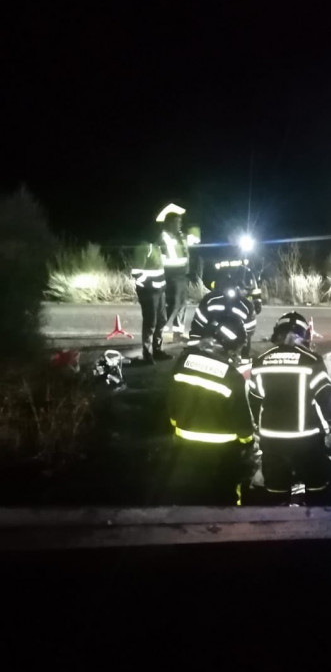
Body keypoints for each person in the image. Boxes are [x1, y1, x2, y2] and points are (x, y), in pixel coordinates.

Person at [248, 311, 331, 499]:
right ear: (304, 335)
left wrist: (257, 429)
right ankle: (317, 522)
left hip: (272, 440)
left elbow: (254, 399)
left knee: (276, 491)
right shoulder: (311, 361)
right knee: (317, 488)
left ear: (277, 332)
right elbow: (326, 398)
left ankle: (279, 524)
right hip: (307, 441)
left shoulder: (261, 361)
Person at [166, 316, 256, 504]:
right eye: (237, 347)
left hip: (185, 443)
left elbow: (172, 401)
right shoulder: (231, 376)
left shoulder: (184, 361)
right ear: (229, 344)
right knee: (225, 495)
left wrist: (175, 425)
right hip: (222, 451)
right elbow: (242, 422)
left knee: (189, 493)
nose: (237, 353)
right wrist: (248, 443)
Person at [189, 267, 261, 356]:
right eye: (245, 290)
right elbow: (247, 335)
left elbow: (196, 327)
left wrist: (193, 349)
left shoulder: (210, 299)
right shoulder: (246, 307)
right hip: (212, 348)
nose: (247, 294)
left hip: (214, 350)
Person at [131, 228, 169, 363]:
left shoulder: (157, 247)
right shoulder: (144, 248)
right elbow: (136, 272)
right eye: (161, 234)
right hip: (149, 292)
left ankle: (157, 350)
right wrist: (151, 284)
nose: (163, 237)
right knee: (150, 323)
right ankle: (147, 354)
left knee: (162, 320)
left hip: (159, 291)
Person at [157, 203, 190, 338]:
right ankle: (159, 329)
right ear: (170, 223)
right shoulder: (164, 237)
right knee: (173, 304)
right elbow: (161, 258)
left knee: (182, 303)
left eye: (180, 222)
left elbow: (185, 253)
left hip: (182, 274)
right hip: (171, 275)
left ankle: (178, 331)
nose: (180, 225)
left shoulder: (180, 236)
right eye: (177, 222)